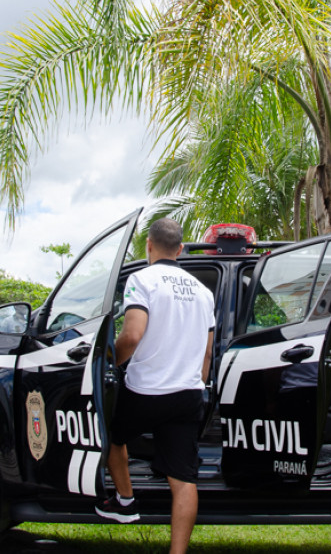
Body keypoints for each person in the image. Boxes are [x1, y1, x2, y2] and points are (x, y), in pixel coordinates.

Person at [95, 218, 215, 554]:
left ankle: (126, 502)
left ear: (149, 245)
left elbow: (131, 335)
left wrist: (108, 363)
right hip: (188, 394)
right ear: (179, 249)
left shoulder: (141, 279)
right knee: (184, 479)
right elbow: (207, 353)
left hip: (145, 391)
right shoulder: (204, 293)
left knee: (113, 437)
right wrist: (197, 385)